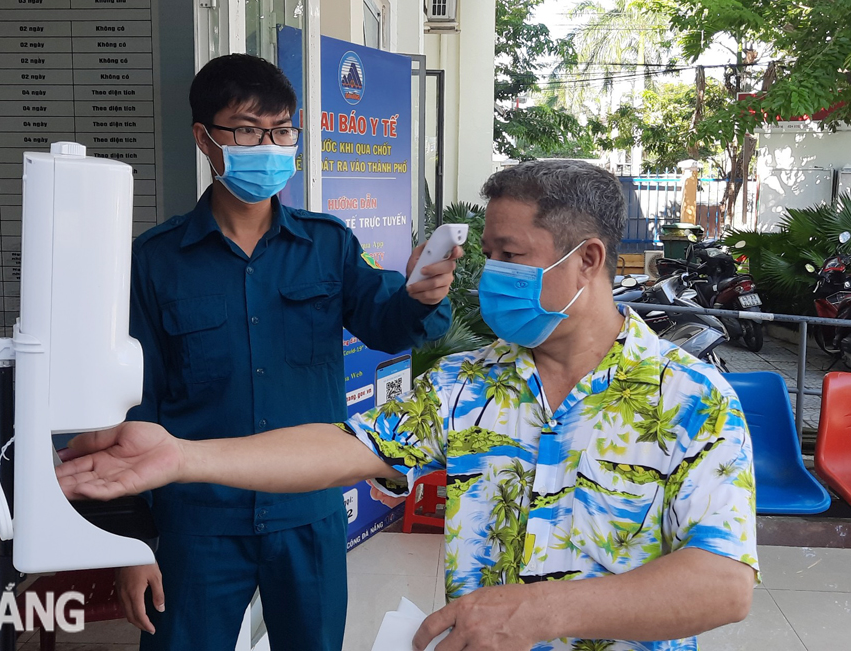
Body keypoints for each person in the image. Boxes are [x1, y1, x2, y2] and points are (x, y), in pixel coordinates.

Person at [61, 160, 758, 651]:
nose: (492, 276)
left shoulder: (689, 399)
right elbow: (344, 444)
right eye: (488, 253)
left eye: (512, 256)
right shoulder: (469, 384)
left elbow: (723, 584)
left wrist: (539, 612)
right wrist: (183, 456)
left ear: (588, 259)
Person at [121, 54, 459, 650]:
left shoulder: (326, 245)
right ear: (206, 139)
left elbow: (388, 323)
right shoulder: (155, 260)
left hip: (309, 515)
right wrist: (129, 542)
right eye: (248, 130)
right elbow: (133, 405)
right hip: (197, 523)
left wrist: (420, 295)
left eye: (282, 131)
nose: (269, 146)